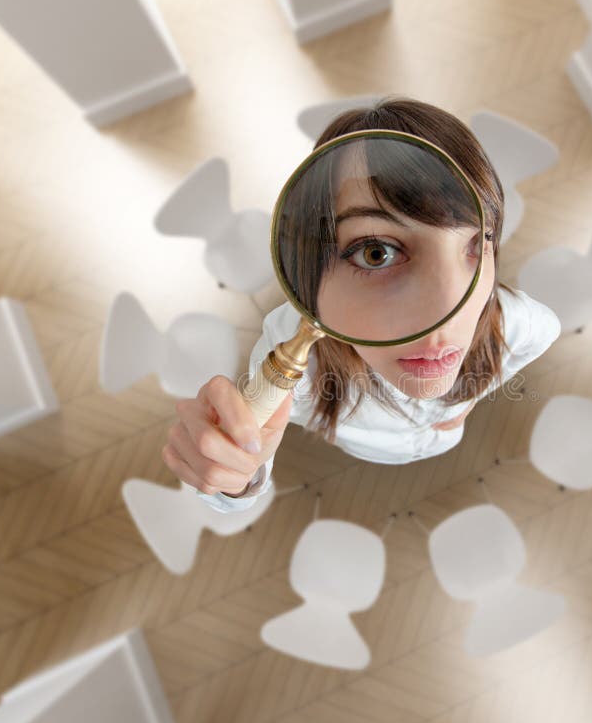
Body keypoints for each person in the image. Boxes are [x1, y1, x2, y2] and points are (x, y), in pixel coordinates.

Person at [161, 97, 561, 513]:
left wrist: (470, 403)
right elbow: (240, 464)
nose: (450, 309)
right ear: (312, 265)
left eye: (477, 244)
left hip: (443, 437)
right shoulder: (292, 358)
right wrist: (236, 476)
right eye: (376, 252)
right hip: (370, 448)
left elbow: (541, 336)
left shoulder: (514, 320)